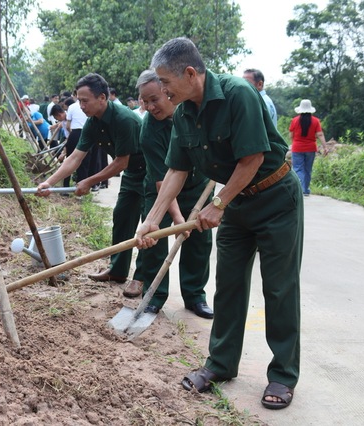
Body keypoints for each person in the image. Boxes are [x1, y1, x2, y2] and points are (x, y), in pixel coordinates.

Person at [137, 38, 303, 410]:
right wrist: (150, 221)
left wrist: (217, 203)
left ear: (191, 73)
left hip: (275, 199)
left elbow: (253, 158)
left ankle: (282, 375)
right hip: (237, 206)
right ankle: (221, 365)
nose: (162, 91)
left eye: (166, 83)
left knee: (278, 289)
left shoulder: (238, 94)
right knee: (228, 285)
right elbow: (177, 168)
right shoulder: (182, 113)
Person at [121, 69, 214, 319]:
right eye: (144, 101)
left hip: (198, 188)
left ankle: (195, 296)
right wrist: (177, 218)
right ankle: (154, 296)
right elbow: (164, 181)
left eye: (155, 99)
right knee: (153, 239)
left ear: (168, 91)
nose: (150, 106)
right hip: (159, 191)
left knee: (199, 242)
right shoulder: (149, 130)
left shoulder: (193, 113)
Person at [37, 73, 145, 283]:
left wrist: (89, 181)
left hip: (151, 173)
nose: (81, 106)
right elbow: (75, 157)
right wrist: (49, 182)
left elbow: (120, 163)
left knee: (148, 227)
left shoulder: (124, 118)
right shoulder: (93, 123)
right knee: (122, 218)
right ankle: (117, 270)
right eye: (79, 101)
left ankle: (141, 279)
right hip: (132, 174)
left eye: (85, 101)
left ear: (102, 98)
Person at [289, 99, 328, 196]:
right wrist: (325, 147)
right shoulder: (316, 121)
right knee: (307, 169)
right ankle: (305, 189)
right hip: (311, 148)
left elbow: (291, 135)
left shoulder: (294, 120)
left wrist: (293, 143)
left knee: (298, 169)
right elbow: (320, 134)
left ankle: (301, 189)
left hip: (297, 148)